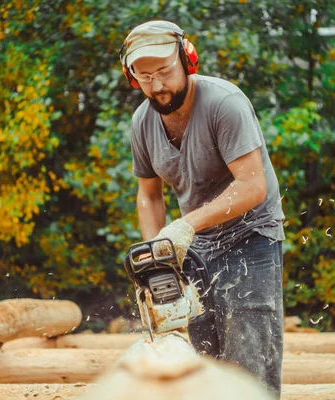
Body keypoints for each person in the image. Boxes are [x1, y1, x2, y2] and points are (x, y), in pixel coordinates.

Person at [120, 20, 285, 397]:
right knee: (200, 360)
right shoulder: (142, 123)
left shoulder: (224, 104)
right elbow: (149, 195)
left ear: (187, 60)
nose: (157, 85)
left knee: (247, 362)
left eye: (164, 71)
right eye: (145, 76)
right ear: (132, 77)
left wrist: (186, 225)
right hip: (194, 248)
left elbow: (253, 185)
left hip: (251, 237)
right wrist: (158, 256)